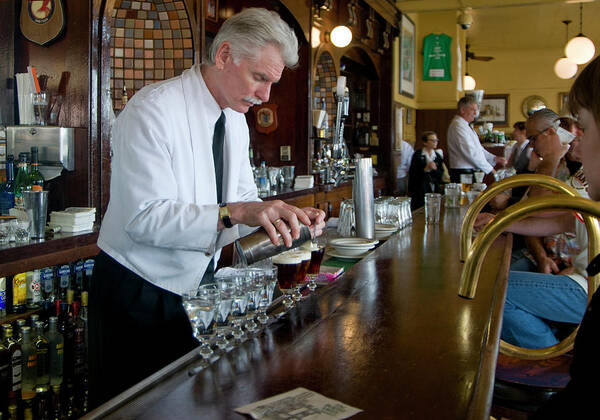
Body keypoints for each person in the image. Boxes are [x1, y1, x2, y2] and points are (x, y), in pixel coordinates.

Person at [89, 8, 326, 407]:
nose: (266, 95)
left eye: (272, 82)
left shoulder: (234, 117)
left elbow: (245, 202)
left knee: (192, 407)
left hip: (199, 291)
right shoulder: (153, 110)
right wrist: (236, 213)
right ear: (224, 56)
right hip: (138, 292)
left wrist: (284, 215)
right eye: (260, 78)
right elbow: (143, 219)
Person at [531, 55, 600, 419]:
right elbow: (558, 220)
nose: (579, 144)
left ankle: (545, 365)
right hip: (574, 272)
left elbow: (544, 213)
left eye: (584, 131)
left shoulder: (576, 180)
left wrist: (550, 160)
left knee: (491, 291)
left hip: (580, 283)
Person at [447, 96, 506, 183]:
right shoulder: (458, 126)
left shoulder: (465, 125)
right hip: (462, 172)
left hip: (470, 171)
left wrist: (494, 158)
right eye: (473, 110)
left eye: (476, 110)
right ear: (462, 110)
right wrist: (491, 170)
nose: (475, 113)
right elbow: (470, 152)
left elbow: (478, 149)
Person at [407, 131, 445, 209]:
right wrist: (425, 169)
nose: (435, 142)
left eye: (436, 140)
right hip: (419, 189)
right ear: (425, 142)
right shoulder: (418, 155)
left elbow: (441, 174)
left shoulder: (437, 156)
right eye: (432, 140)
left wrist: (435, 169)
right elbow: (413, 173)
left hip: (433, 188)